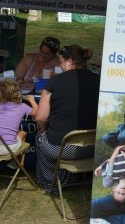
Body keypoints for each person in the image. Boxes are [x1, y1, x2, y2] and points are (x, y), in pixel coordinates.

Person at [34, 44, 100, 195]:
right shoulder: (99, 80)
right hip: (94, 147)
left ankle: (51, 183)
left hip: (63, 149)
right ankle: (73, 178)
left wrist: (44, 128)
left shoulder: (55, 82)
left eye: (61, 62)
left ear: (69, 61)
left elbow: (40, 117)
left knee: (40, 138)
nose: (60, 66)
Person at [0, 80, 38, 156]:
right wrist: (32, 100)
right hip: (10, 148)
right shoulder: (22, 106)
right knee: (22, 132)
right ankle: (17, 161)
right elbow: (37, 113)